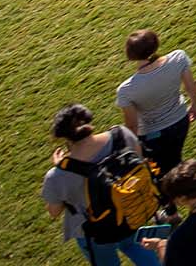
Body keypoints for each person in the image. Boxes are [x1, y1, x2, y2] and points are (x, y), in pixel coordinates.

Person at [41, 103, 165, 266]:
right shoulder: (122, 135)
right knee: (137, 247)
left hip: (94, 232)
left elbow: (54, 211)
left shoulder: (57, 176)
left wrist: (62, 166)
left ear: (64, 137)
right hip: (129, 211)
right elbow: (141, 163)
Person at [115, 30, 196, 183]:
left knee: (162, 173)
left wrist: (132, 150)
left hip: (153, 135)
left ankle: (179, 194)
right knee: (174, 159)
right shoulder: (178, 58)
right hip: (181, 121)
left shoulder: (126, 89)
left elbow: (132, 125)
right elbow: (190, 86)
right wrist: (194, 105)